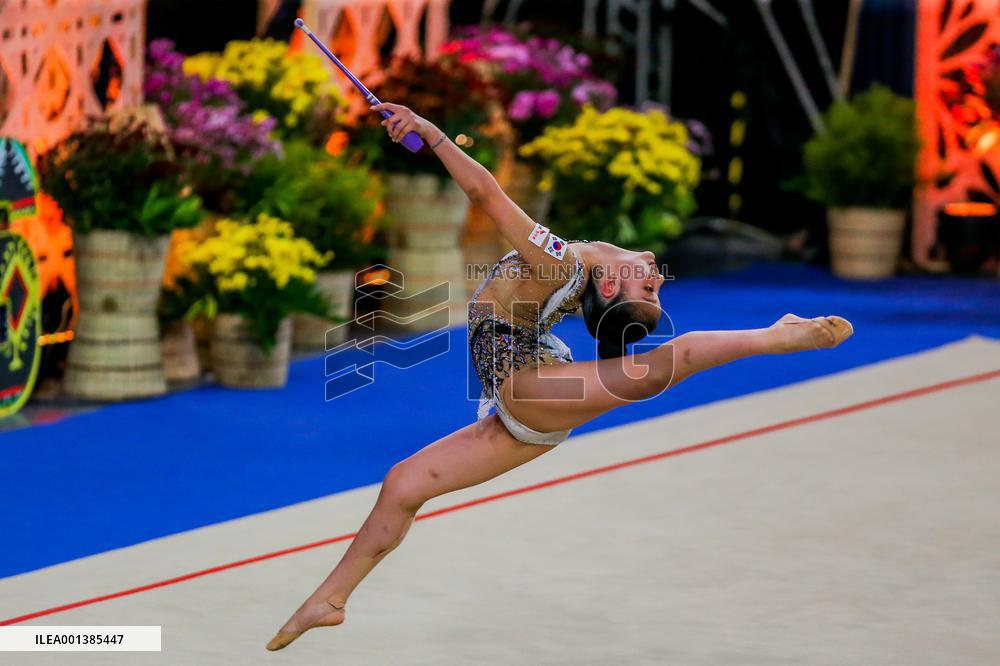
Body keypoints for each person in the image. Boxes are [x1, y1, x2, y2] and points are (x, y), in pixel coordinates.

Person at [266, 103, 853, 650]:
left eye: (649, 288)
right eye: (654, 288)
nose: (657, 278)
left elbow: (484, 192)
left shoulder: (561, 263)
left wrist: (429, 132)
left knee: (662, 366)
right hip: (524, 404)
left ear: (607, 285)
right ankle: (329, 600)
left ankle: (778, 335)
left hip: (532, 388)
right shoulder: (586, 264)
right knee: (402, 485)